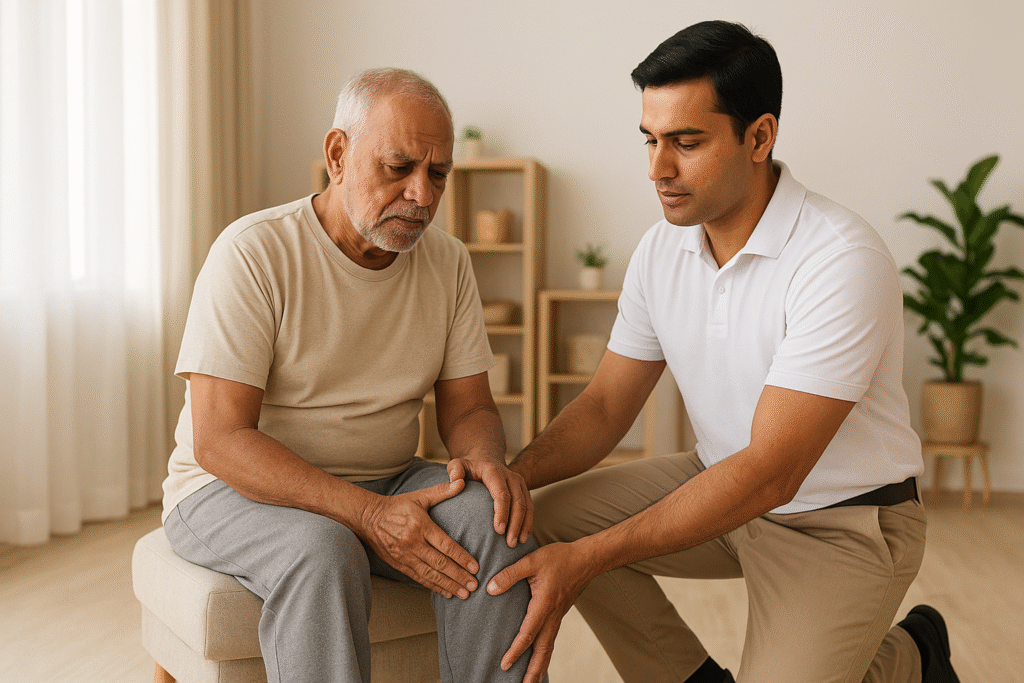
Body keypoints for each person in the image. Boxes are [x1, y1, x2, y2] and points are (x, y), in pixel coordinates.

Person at [487, 21, 960, 683]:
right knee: (547, 521)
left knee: (585, 547)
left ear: (759, 136)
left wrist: (591, 558)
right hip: (716, 479)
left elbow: (772, 472)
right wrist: (510, 479)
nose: (658, 168)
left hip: (840, 517)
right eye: (650, 140)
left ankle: (914, 656)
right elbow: (602, 406)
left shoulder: (841, 259)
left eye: (685, 141)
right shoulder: (661, 249)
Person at [160, 67, 544, 683]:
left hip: (386, 477)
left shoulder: (447, 262)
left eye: (437, 174)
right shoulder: (254, 252)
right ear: (339, 155)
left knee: (490, 517)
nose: (421, 194)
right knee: (322, 549)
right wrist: (364, 516)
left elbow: (470, 408)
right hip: (227, 491)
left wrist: (485, 463)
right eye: (397, 168)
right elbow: (221, 440)